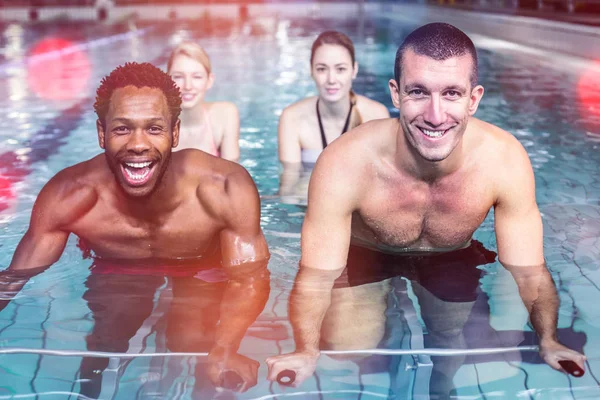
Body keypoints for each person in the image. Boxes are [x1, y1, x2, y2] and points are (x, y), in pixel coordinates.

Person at [266, 23, 586, 386]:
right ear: (396, 94)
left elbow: (529, 270)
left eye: (452, 93)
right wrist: (306, 348)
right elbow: (316, 274)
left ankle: (441, 390)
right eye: (418, 92)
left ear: (474, 99)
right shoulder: (344, 163)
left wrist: (549, 340)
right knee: (348, 346)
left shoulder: (504, 160)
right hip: (367, 253)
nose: (435, 116)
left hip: (449, 256)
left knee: (451, 338)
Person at [0, 62, 269, 391]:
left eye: (154, 129)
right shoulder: (69, 196)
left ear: (175, 132)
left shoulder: (223, 187)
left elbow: (249, 279)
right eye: (122, 129)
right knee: (107, 337)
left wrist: (225, 349)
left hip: (199, 268)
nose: (138, 144)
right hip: (117, 268)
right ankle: (88, 388)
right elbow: (12, 280)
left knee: (191, 341)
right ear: (102, 134)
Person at [278, 31, 389, 198]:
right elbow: (288, 188)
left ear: (354, 70)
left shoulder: (376, 115)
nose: (331, 79)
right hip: (308, 204)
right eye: (322, 69)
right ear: (311, 71)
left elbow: (383, 182)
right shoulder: (292, 118)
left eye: (340, 69)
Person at [167, 42, 240, 160]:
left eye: (197, 77)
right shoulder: (154, 125)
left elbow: (233, 173)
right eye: (178, 77)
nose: (188, 86)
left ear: (209, 81)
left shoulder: (225, 116)